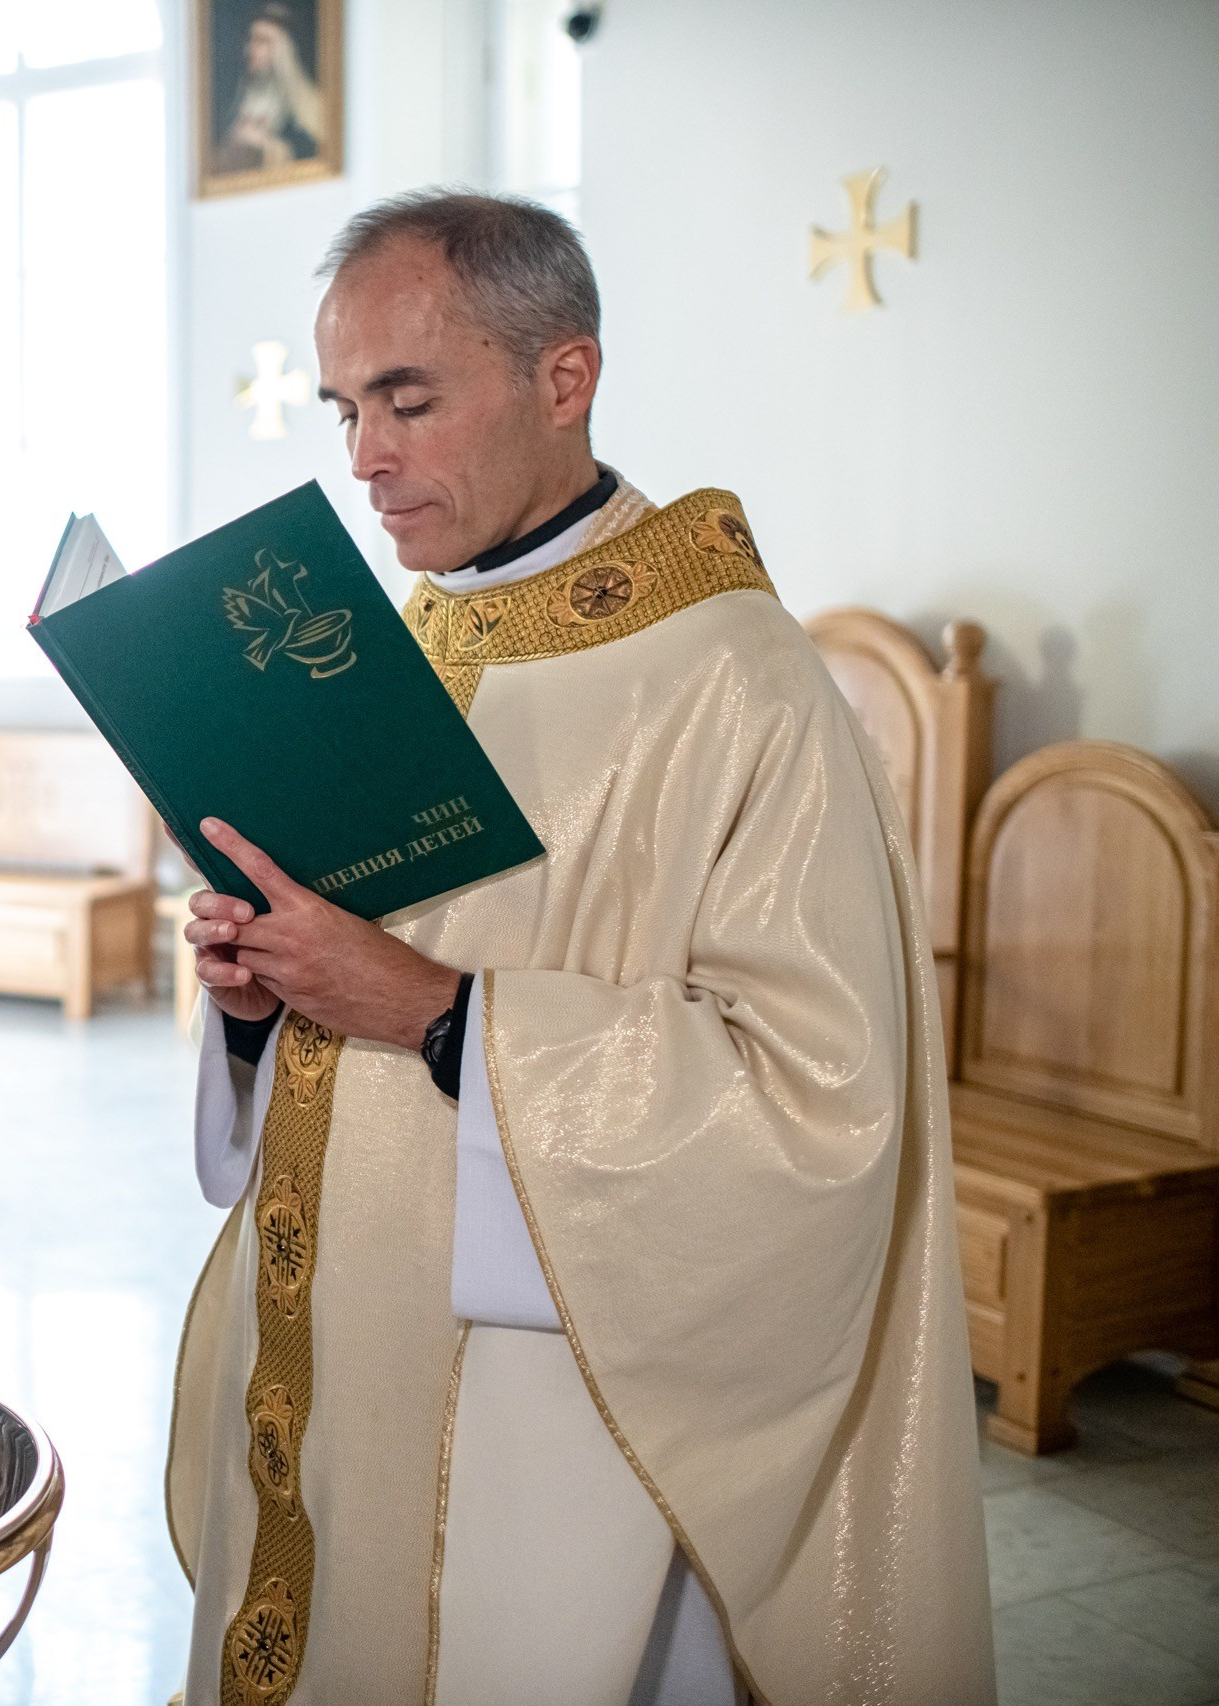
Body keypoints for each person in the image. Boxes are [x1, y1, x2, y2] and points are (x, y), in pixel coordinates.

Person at [165, 194, 994, 1704]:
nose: (364, 460)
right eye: (345, 407)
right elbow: (345, 959)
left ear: (566, 377)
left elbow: (819, 1108)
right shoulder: (399, 637)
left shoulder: (740, 682)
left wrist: (435, 1013)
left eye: (408, 400)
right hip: (342, 1334)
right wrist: (258, 993)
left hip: (561, 1403)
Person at [217, 3, 325, 174]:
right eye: (250, 40)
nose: (250, 50)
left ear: (283, 49)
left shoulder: (304, 111)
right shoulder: (233, 106)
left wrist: (268, 146)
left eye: (261, 41)